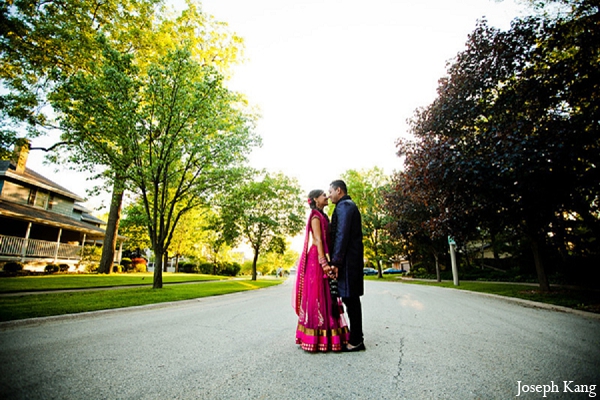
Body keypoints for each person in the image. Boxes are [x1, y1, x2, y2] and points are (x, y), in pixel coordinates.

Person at [293, 189, 350, 352]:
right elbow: (317, 239)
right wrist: (323, 262)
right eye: (323, 195)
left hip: (324, 255)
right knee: (317, 294)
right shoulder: (315, 217)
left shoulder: (323, 215)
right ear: (315, 200)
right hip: (317, 259)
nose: (326, 197)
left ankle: (330, 335)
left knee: (327, 293)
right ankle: (316, 337)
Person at [328, 180, 365, 352]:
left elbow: (341, 235)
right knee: (350, 299)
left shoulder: (345, 206)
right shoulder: (347, 205)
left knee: (351, 299)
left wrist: (335, 262)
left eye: (330, 191)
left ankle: (357, 340)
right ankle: (355, 337)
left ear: (339, 190)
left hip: (348, 261)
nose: (329, 195)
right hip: (349, 260)